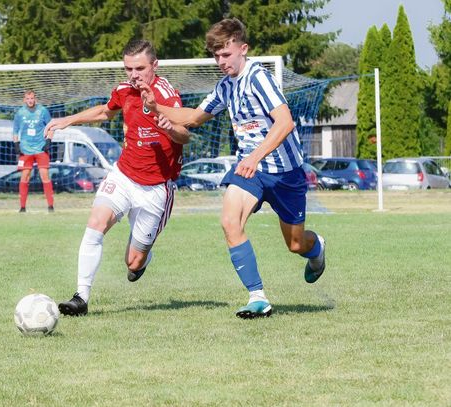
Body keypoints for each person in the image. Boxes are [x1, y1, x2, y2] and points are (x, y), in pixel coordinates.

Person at [139, 18, 326, 319]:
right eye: (216, 56)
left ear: (243, 49)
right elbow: (194, 117)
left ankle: (316, 250)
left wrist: (256, 157)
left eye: (226, 54)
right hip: (249, 170)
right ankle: (258, 297)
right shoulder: (225, 87)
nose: (221, 61)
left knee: (295, 243)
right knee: (229, 222)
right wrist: (155, 106)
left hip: (285, 172)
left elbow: (285, 122)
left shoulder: (258, 78)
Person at [44, 39, 190, 316]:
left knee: (133, 262)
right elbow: (104, 111)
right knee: (95, 224)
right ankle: (80, 298)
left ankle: (143, 260)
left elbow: (186, 134)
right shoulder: (124, 90)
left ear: (154, 66)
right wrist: (67, 121)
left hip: (157, 188)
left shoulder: (167, 95)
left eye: (140, 68)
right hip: (123, 175)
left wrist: (170, 127)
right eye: (128, 69)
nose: (134, 75)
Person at [13, 90, 54, 212]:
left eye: (32, 98)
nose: (30, 101)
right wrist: (16, 144)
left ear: (35, 99)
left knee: (44, 176)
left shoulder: (43, 111)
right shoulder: (20, 113)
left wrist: (48, 141)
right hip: (26, 149)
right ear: (24, 100)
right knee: (24, 177)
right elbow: (15, 131)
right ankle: (22, 207)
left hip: (41, 148)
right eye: (28, 99)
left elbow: (51, 127)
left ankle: (50, 206)